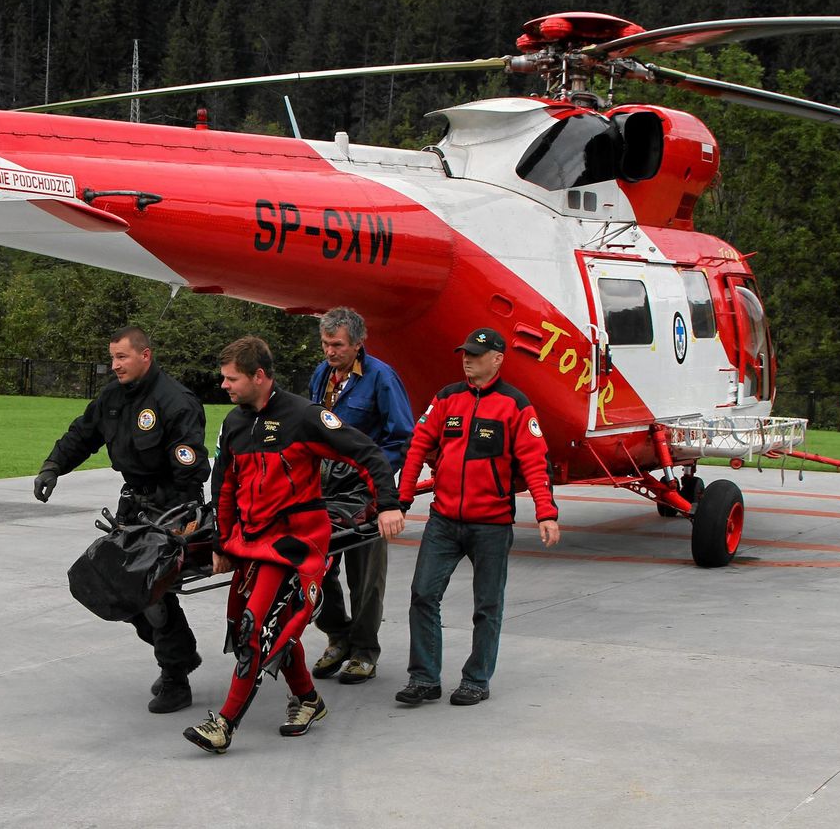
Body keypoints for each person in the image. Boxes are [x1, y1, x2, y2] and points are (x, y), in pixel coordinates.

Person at [183, 337, 406, 754]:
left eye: (232, 379)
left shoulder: (305, 416)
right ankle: (307, 699)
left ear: (260, 377)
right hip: (251, 545)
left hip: (294, 546)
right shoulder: (234, 422)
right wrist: (221, 541)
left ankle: (224, 724)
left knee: (255, 628)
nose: (224, 386)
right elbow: (225, 486)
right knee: (274, 626)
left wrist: (388, 506)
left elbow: (368, 453)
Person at [33, 326, 210, 714]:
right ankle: (179, 657)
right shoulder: (113, 397)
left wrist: (176, 527)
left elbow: (191, 470)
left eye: (122, 357)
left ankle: (176, 678)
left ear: (145, 355)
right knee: (115, 588)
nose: (114, 365)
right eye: (112, 357)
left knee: (151, 593)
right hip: (133, 506)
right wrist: (53, 466)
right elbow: (84, 433)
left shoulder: (175, 400)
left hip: (172, 508)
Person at [394, 328, 561, 708]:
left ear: (498, 359)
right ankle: (424, 678)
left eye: (475, 354)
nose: (467, 359)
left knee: (487, 607)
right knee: (422, 594)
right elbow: (417, 446)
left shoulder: (515, 405)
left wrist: (546, 513)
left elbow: (536, 463)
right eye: (465, 353)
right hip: (443, 521)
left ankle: (476, 679)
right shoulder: (447, 398)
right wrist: (401, 500)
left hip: (492, 525)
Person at [307, 307, 414, 685]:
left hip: (364, 490)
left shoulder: (382, 378)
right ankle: (338, 636)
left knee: (366, 576)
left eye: (337, 345)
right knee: (316, 568)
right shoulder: (322, 376)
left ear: (357, 343)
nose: (329, 352)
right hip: (323, 489)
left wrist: (369, 476)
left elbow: (402, 436)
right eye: (325, 344)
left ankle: (365, 650)